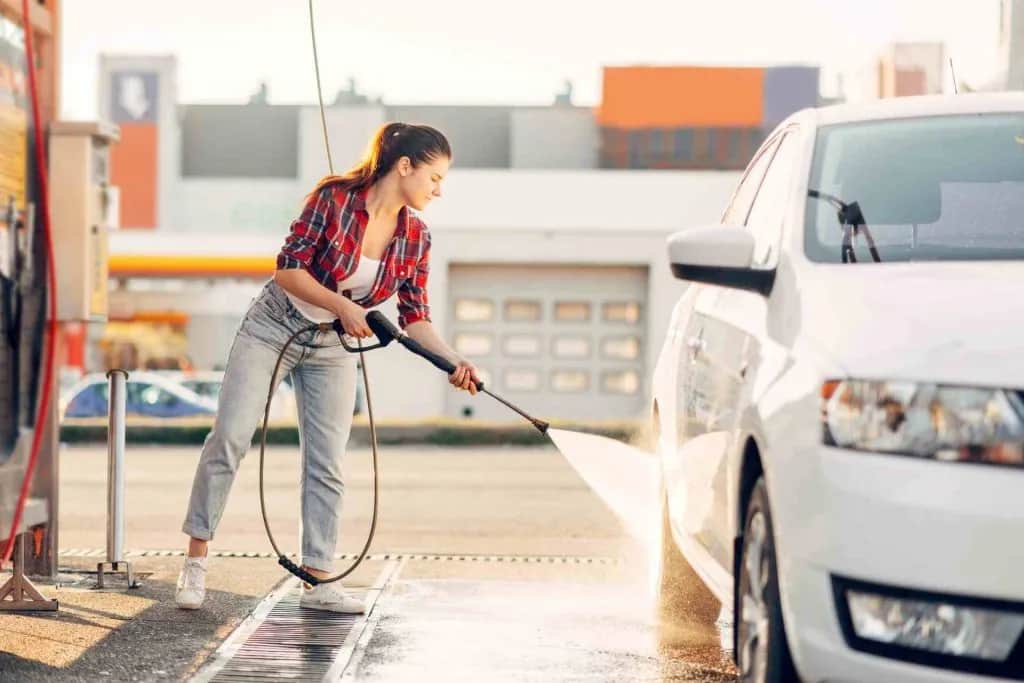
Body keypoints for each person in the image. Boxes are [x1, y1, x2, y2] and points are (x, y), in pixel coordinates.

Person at [174, 122, 480, 613]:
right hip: (273, 326)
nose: (439, 190)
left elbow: (415, 317)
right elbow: (287, 269)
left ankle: (318, 581)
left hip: (334, 346)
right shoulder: (334, 200)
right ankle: (195, 560)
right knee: (230, 437)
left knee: (327, 461)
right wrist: (343, 306)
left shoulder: (416, 237)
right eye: (435, 178)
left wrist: (454, 360)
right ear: (405, 166)